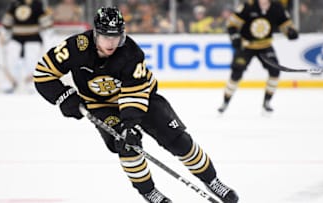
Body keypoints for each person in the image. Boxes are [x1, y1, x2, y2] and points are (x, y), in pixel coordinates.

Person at [34, 7, 239, 203]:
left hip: (142, 99)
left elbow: (136, 91)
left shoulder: (130, 53)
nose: (111, 42)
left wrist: (130, 124)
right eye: (106, 36)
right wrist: (64, 97)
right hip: (101, 106)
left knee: (180, 141)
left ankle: (212, 180)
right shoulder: (74, 47)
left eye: (116, 36)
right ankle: (149, 192)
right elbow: (43, 73)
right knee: (127, 147)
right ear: (95, 33)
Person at [218, 0, 298, 113]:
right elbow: (231, 24)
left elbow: (286, 25)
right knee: (236, 73)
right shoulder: (247, 7)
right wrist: (235, 37)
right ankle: (225, 102)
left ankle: (267, 102)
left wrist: (291, 32)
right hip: (246, 46)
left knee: (275, 71)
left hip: (265, 46)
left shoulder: (277, 7)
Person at [0, 0, 53, 93]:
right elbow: (7, 22)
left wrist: (49, 34)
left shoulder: (37, 5)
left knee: (32, 61)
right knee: (12, 59)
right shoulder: (15, 4)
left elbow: (46, 24)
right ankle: (11, 83)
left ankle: (32, 84)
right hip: (16, 37)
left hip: (33, 37)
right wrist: (3, 33)